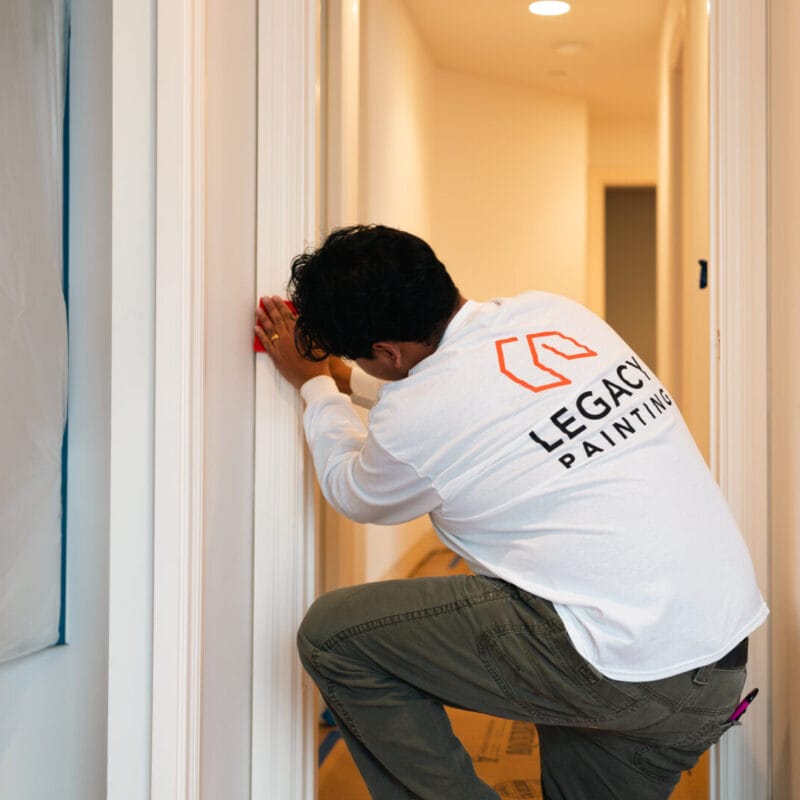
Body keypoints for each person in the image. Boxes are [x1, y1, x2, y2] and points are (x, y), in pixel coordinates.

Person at [254, 224, 768, 800]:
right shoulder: (553, 313)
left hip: (619, 665)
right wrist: (350, 377)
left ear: (389, 353)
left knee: (335, 635)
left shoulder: (418, 415)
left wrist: (317, 388)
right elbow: (476, 404)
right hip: (714, 667)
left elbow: (354, 489)